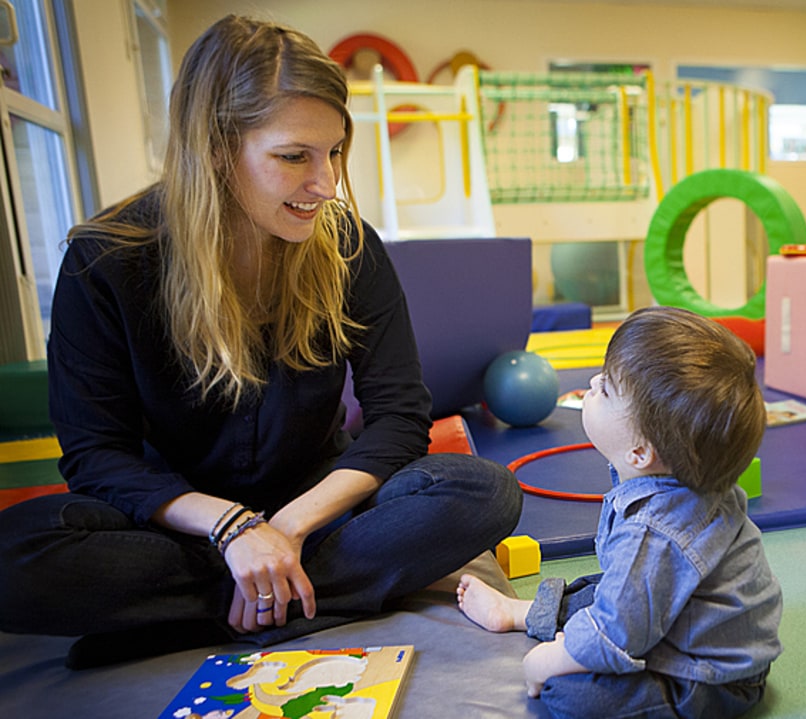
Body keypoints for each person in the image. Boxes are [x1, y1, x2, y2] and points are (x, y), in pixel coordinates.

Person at [0, 15, 521, 669]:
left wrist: (286, 529)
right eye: (294, 156)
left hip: (316, 512)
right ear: (217, 148)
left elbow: (399, 417)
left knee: (483, 491)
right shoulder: (104, 260)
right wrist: (232, 529)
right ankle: (296, 597)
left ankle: (210, 609)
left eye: (334, 152)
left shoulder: (349, 246)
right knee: (12, 554)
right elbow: (96, 456)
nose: (326, 183)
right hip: (176, 524)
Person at [457, 306, 783, 718]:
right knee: (602, 590)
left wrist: (546, 662)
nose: (594, 382)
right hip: (683, 623)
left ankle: (564, 638)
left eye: (608, 388)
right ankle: (519, 612)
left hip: (708, 677)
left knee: (570, 694)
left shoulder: (656, 530)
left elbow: (618, 630)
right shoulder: (687, 477)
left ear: (641, 452)